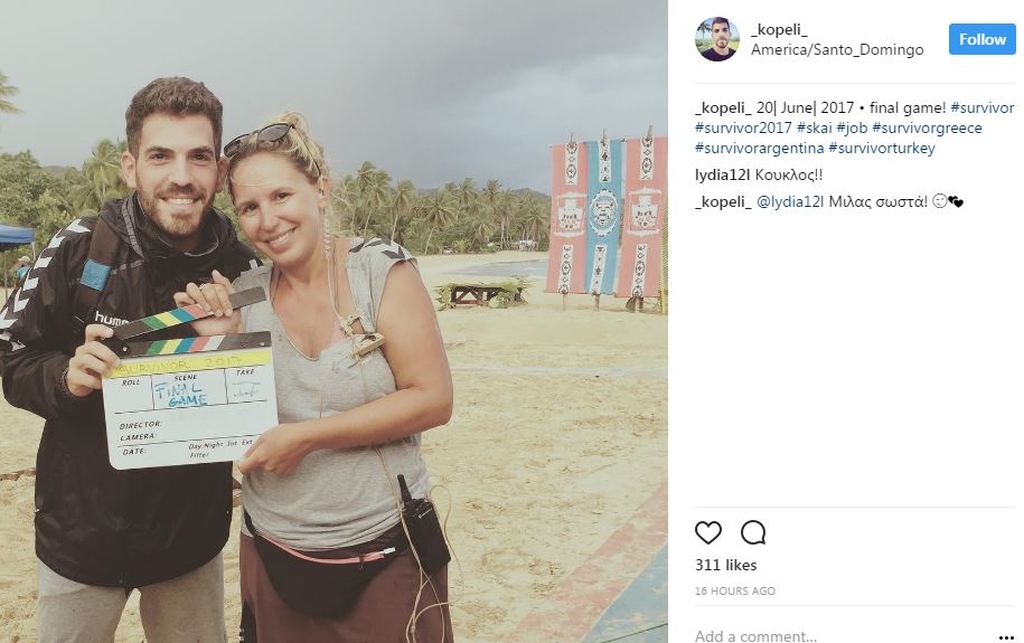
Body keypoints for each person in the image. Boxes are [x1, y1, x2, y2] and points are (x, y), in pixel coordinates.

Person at [176, 112, 455, 641]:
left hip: (384, 545)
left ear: (320, 190)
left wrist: (307, 438)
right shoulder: (244, 294)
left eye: (281, 196)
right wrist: (221, 344)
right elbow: (224, 422)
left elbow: (433, 399)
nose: (268, 220)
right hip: (271, 547)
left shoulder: (380, 271)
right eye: (250, 208)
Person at [0, 76, 259, 642]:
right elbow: (12, 358)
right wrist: (64, 378)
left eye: (199, 156)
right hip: (80, 535)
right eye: (160, 155)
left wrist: (225, 348)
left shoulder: (244, 267)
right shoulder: (78, 247)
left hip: (190, 540)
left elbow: (270, 399)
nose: (181, 176)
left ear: (219, 171)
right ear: (130, 165)